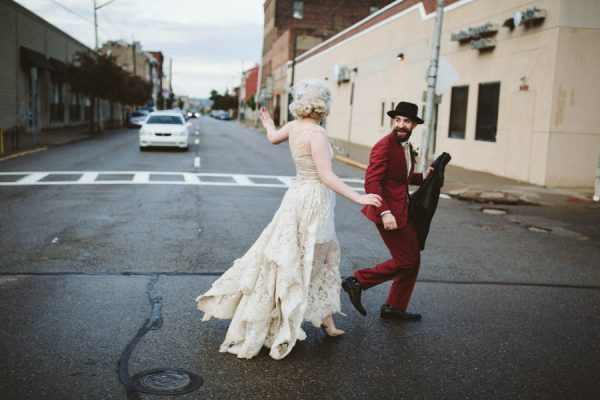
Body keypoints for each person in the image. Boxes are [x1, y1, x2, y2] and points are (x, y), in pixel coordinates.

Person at [195, 78, 382, 360]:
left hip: (298, 196)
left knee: (320, 257)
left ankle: (326, 319)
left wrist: (268, 122)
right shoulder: (316, 133)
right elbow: (327, 175)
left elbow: (272, 138)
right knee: (313, 261)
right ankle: (290, 321)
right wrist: (359, 197)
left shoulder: (294, 127)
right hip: (313, 201)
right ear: (323, 105)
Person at [342, 101, 433, 321]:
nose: (401, 125)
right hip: (388, 213)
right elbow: (373, 182)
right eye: (398, 120)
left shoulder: (407, 147)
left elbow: (402, 179)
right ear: (393, 122)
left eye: (406, 121)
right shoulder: (384, 145)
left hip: (403, 210)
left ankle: (394, 306)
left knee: (412, 261)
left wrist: (425, 176)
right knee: (407, 260)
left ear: (414, 125)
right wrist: (384, 212)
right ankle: (358, 281)